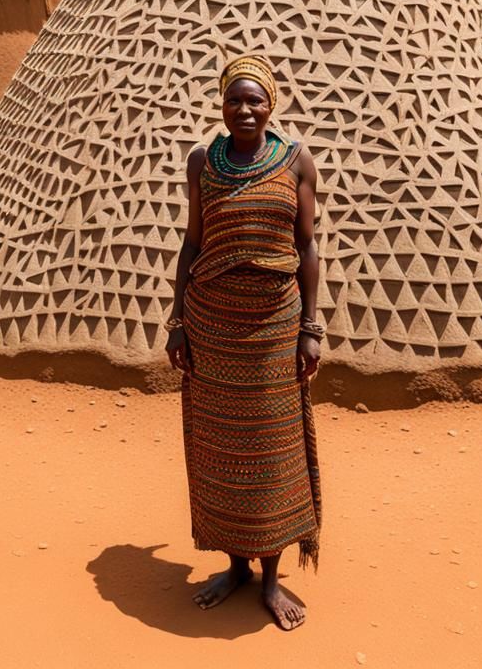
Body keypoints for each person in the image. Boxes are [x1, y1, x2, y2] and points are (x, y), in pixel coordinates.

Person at [165, 54, 322, 632]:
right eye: (235, 99)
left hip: (275, 326)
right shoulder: (204, 162)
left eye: (255, 100)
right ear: (222, 104)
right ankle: (235, 566)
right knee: (221, 448)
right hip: (212, 323)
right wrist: (178, 320)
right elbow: (192, 244)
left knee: (271, 448)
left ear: (271, 103)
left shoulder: (295, 159)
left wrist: (310, 328)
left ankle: (272, 578)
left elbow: (306, 247)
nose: (245, 110)